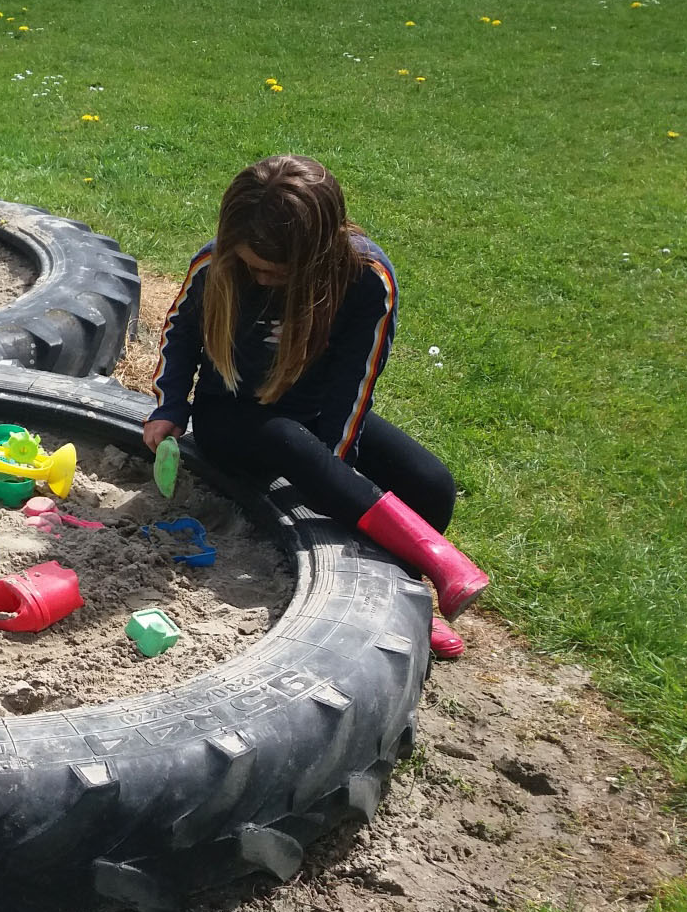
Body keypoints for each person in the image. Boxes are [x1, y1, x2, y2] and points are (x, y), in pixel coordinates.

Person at [144, 155, 487, 658]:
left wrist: (331, 466)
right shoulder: (217, 264)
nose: (260, 279)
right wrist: (170, 405)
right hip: (230, 418)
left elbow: (355, 382)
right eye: (252, 267)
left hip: (310, 415)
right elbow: (180, 334)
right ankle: (440, 562)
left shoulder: (366, 280)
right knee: (285, 438)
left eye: (275, 272)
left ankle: (405, 598)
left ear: (316, 257)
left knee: (430, 482)